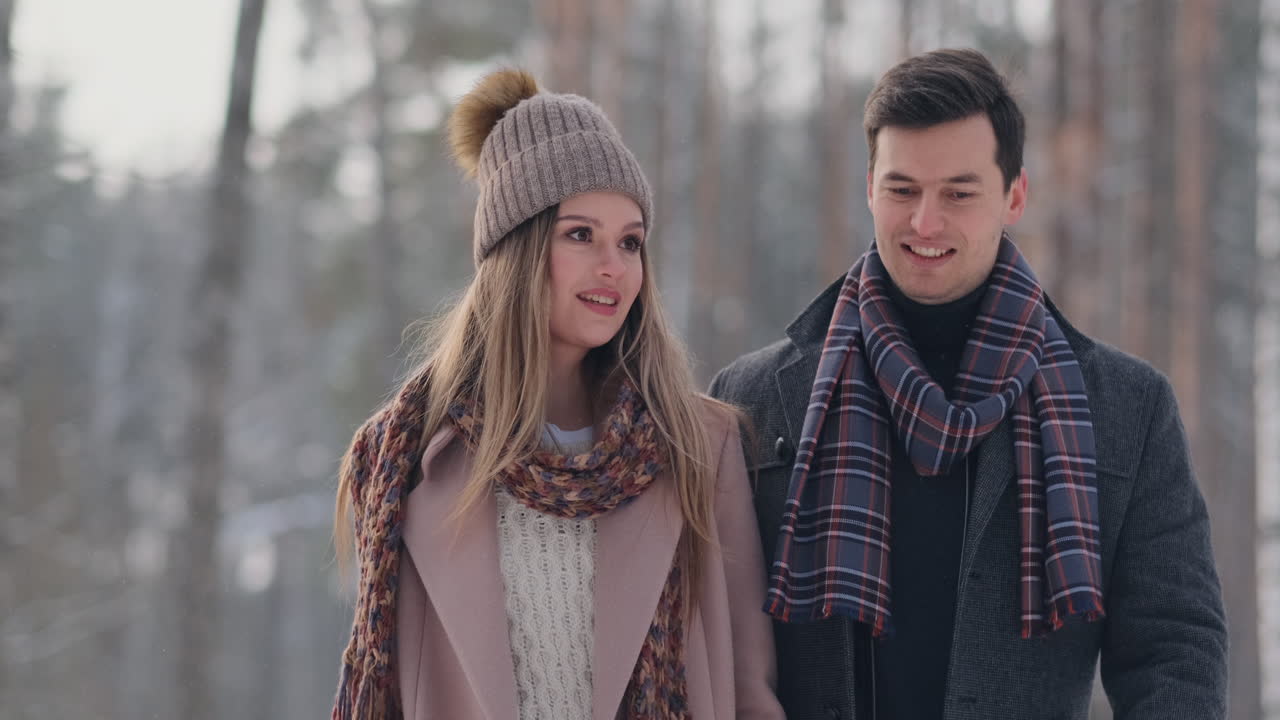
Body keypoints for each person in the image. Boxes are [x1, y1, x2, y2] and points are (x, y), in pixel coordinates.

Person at [709, 48, 1227, 720]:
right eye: (902, 190)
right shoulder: (753, 397)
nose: (925, 222)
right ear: (869, 188)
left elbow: (1176, 649)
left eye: (958, 192)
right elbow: (704, 637)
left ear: (1014, 196)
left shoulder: (1125, 408)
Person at [330, 68, 784, 720]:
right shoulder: (405, 455)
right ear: (515, 250)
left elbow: (749, 691)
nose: (614, 267)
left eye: (631, 242)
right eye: (581, 235)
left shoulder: (698, 449)